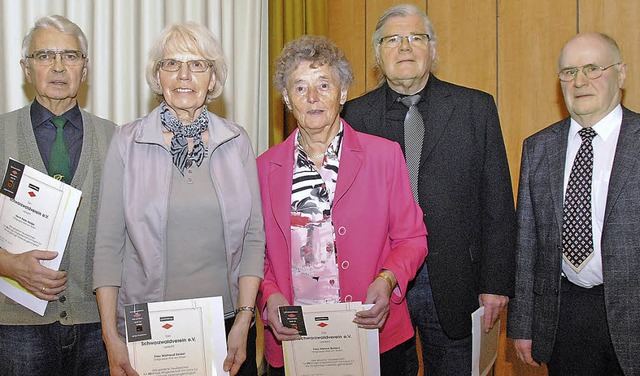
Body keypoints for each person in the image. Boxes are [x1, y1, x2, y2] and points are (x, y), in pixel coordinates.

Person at [341, 4, 516, 375]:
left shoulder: (475, 108)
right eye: (392, 39)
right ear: (377, 54)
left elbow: (497, 202)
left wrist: (496, 283)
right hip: (380, 286)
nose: (404, 47)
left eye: (415, 37)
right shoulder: (353, 117)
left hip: (457, 284)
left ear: (432, 50)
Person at [92, 22, 265, 376]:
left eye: (197, 64)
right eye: (171, 63)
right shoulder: (128, 142)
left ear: (213, 78)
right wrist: (111, 336)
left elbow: (253, 236)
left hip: (227, 325)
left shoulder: (236, 141)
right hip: (151, 330)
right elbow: (109, 245)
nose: (184, 75)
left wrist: (244, 321)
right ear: (158, 76)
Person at [257, 35, 428, 376]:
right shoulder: (263, 168)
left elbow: (412, 239)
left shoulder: (384, 156)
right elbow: (253, 251)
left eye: (324, 84)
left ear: (343, 93)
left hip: (371, 335)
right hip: (296, 339)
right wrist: (269, 295)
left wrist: (387, 279)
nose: (313, 97)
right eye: (300, 87)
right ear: (288, 100)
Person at [507, 32, 639, 375]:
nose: (579, 81)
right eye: (568, 72)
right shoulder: (538, 148)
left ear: (621, 74)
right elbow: (527, 244)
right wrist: (522, 325)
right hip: (565, 315)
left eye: (593, 68)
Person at [0, 15, 115, 376]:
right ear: (26, 67)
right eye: (45, 55)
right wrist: (7, 265)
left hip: (98, 324)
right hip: (15, 325)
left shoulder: (117, 139)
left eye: (70, 56)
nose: (59, 66)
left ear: (85, 68)